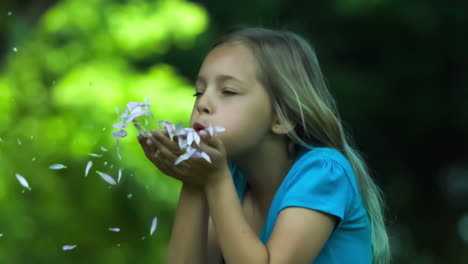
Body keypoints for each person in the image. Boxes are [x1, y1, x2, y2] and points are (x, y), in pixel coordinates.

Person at [138, 27, 390, 264]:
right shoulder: (231, 179)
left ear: (284, 117)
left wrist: (214, 180)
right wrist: (193, 180)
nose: (203, 104)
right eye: (199, 92)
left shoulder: (324, 173)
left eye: (228, 91)